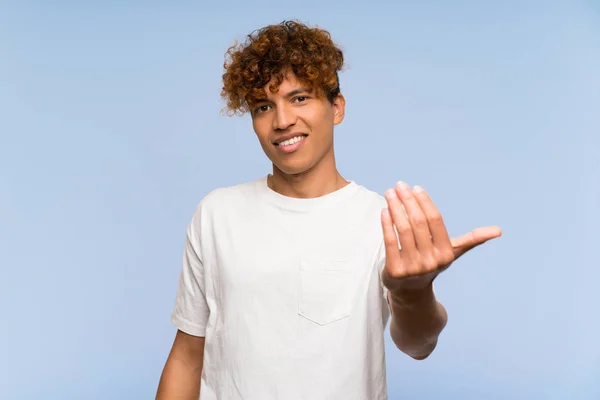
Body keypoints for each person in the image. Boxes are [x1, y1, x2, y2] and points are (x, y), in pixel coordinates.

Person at [155, 20, 501, 400]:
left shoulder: (381, 220)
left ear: (336, 107)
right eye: (263, 106)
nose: (282, 120)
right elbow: (188, 358)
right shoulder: (216, 214)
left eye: (299, 98)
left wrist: (412, 293)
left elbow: (418, 344)